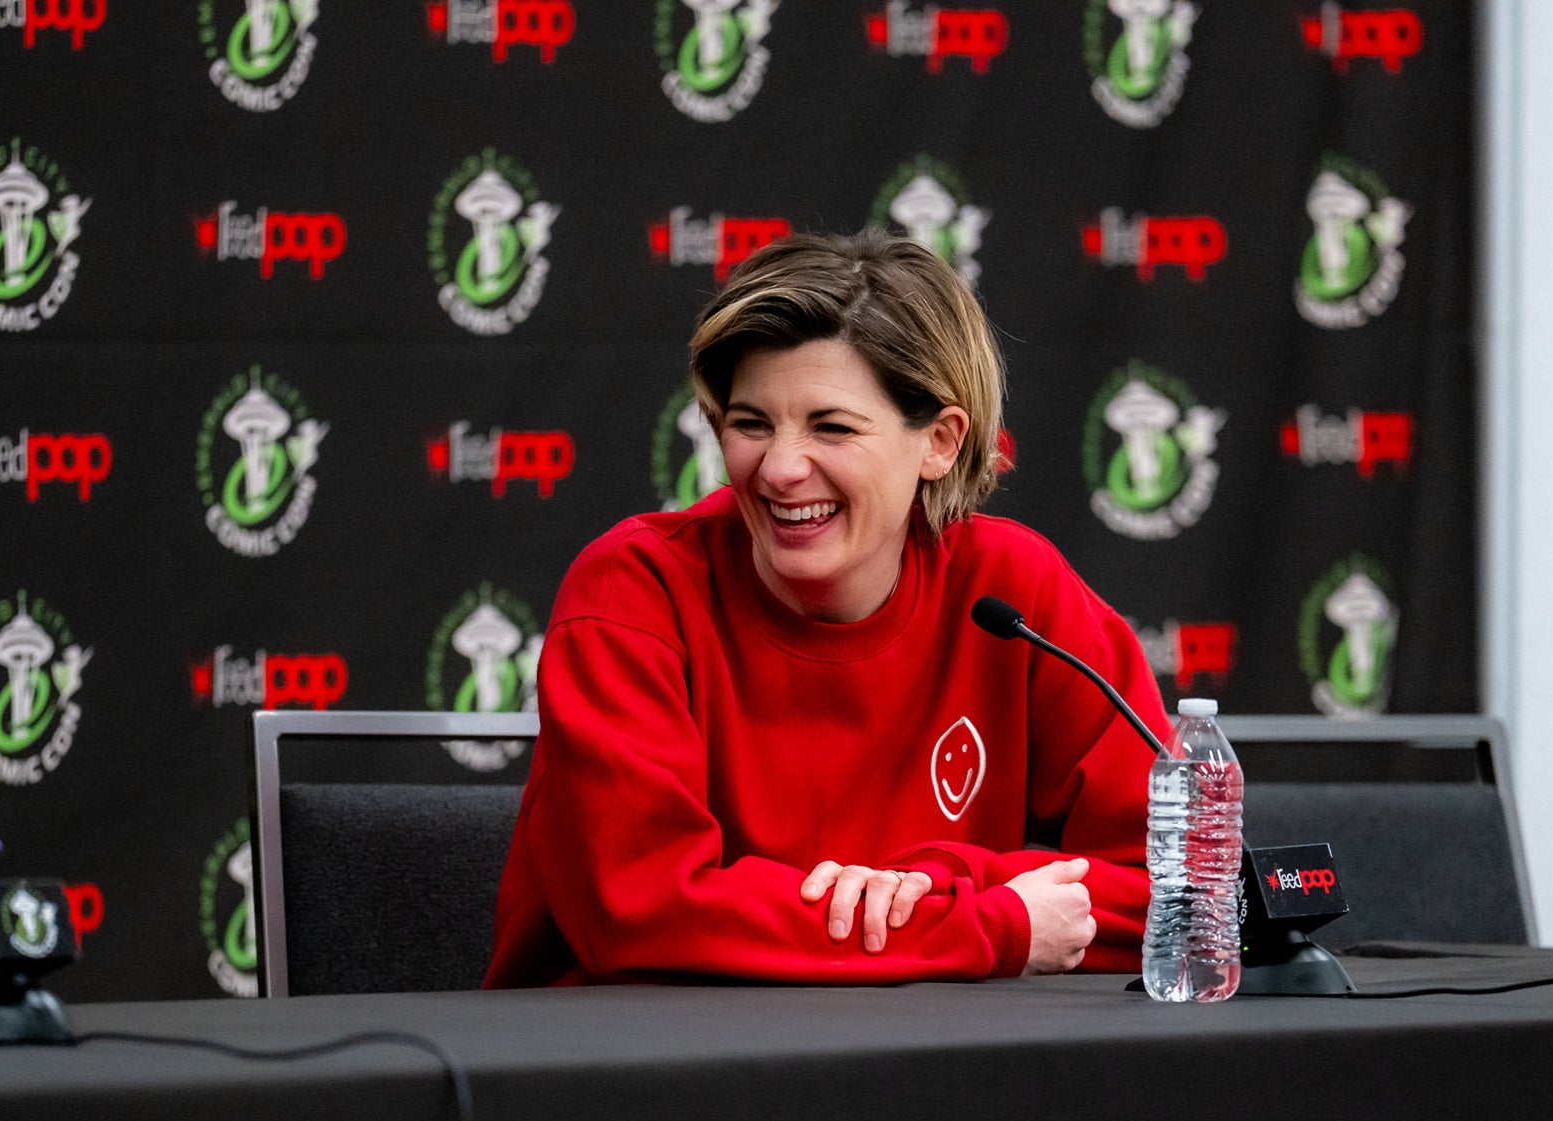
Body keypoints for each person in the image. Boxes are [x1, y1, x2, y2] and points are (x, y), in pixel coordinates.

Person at [484, 231, 1169, 987]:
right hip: (643, 1079)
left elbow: (1184, 892)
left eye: (831, 427)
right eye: (750, 424)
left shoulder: (1014, 589)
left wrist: (941, 879)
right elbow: (642, 911)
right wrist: (986, 920)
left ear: (939, 442)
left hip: (933, 1078)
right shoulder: (632, 592)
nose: (778, 469)